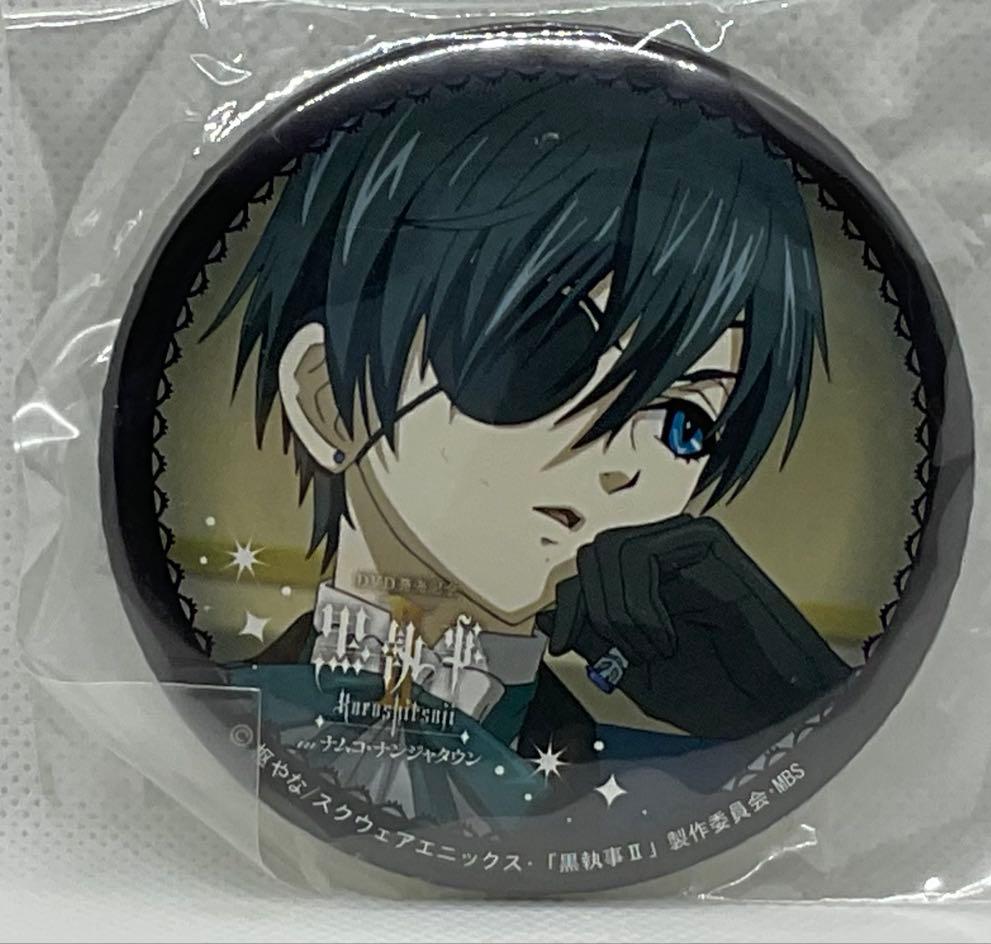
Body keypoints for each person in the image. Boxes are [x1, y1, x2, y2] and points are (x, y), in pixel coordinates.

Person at [210, 73, 851, 820]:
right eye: (540, 353)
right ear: (327, 401)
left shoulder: (647, 781)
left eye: (685, 423)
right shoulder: (212, 715)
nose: (621, 465)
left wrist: (798, 714)